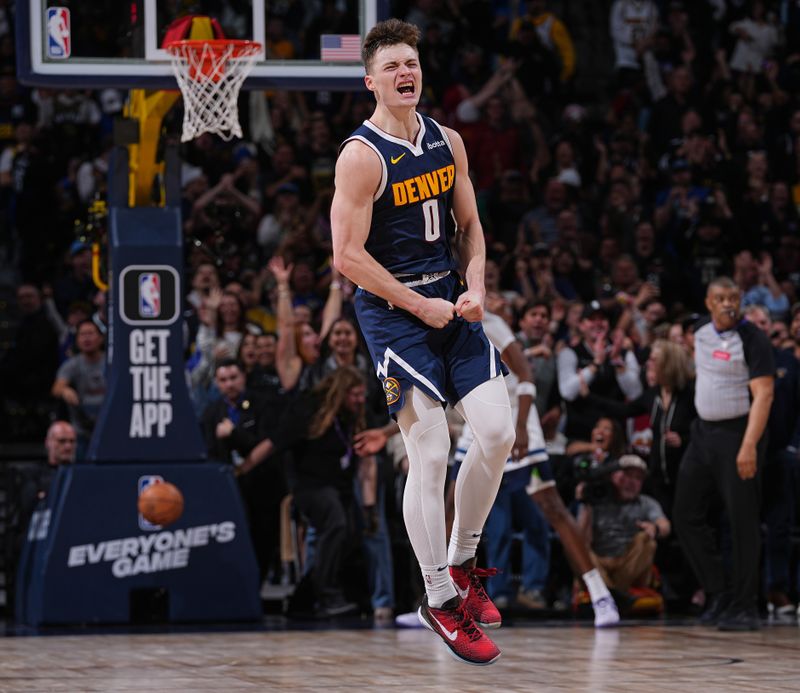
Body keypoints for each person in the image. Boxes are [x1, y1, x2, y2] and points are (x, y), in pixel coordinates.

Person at [330, 18, 515, 665]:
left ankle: (464, 560)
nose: (405, 74)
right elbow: (346, 256)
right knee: (430, 449)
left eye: (411, 63)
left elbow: (471, 226)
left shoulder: (449, 141)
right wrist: (417, 303)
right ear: (370, 81)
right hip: (392, 311)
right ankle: (438, 597)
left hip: (446, 299)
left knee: (498, 430)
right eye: (391, 68)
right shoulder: (360, 156)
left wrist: (475, 285)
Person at [453, 295, 620, 627]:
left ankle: (600, 594)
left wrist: (522, 427)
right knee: (451, 509)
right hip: (476, 424)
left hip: (515, 420)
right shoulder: (444, 321)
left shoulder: (492, 323)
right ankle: (443, 601)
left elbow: (526, 376)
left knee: (552, 508)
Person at [673, 277, 775, 631]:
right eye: (720, 298)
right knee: (684, 513)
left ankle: (746, 605)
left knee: (743, 521)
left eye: (733, 297)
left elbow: (764, 395)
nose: (728, 303)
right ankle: (718, 592)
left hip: (738, 434)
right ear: (709, 302)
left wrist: (749, 445)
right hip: (702, 434)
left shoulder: (754, 339)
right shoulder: (700, 330)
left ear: (741, 300)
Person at [200, 358, 286, 582]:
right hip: (228, 488)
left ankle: (257, 586)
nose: (229, 384)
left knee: (263, 537)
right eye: (223, 380)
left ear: (243, 377)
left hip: (262, 484)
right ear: (217, 384)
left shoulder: (264, 404)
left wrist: (234, 434)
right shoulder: (212, 412)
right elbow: (209, 451)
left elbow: (266, 444)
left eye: (233, 378)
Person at [577, 455, 671, 612]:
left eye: (638, 478)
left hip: (629, 566)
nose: (632, 482)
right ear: (613, 476)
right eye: (627, 475)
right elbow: (582, 539)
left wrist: (654, 528)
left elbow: (665, 525)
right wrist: (585, 504)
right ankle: (614, 594)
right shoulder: (596, 499)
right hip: (601, 563)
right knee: (579, 549)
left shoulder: (646, 503)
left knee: (646, 540)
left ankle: (613, 593)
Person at [50, 319, 106, 460]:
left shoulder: (110, 362)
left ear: (101, 338)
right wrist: (65, 390)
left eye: (90, 333)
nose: (86, 338)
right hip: (81, 431)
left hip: (108, 427)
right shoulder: (73, 365)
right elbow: (56, 388)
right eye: (82, 335)